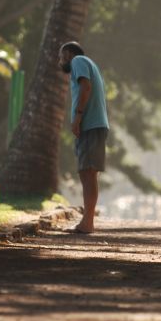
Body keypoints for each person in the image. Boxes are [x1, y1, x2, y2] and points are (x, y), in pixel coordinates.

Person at [58, 41, 109, 234]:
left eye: (61, 56)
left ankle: (87, 223)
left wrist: (78, 116)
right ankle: (88, 221)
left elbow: (85, 87)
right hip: (95, 125)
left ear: (69, 54)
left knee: (87, 173)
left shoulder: (78, 60)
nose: (60, 61)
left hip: (90, 125)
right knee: (88, 173)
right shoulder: (89, 62)